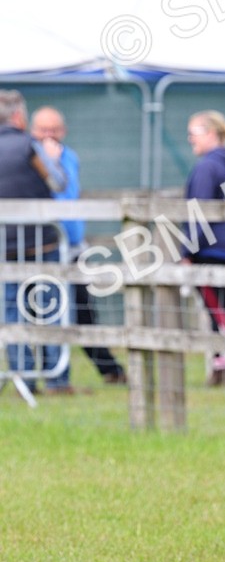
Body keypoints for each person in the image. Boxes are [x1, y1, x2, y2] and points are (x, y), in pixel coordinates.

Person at [30, 107, 127, 390]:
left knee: (84, 312)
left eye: (55, 130)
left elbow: (68, 194)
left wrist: (55, 162)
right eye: (43, 130)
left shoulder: (68, 157)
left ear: (64, 131)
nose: (49, 136)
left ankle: (110, 370)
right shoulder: (30, 158)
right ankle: (50, 378)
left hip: (73, 249)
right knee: (42, 314)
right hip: (43, 248)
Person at [0, 90, 66, 389]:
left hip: (5, 247)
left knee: (12, 311)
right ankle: (56, 378)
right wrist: (54, 159)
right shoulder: (30, 146)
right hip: (42, 243)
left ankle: (23, 378)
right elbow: (57, 181)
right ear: (18, 116)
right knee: (51, 307)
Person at [183, 111, 225, 386]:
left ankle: (222, 360)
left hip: (212, 248)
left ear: (211, 134)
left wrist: (186, 251)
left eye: (193, 133)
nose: (190, 140)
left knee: (215, 309)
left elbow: (199, 212)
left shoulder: (207, 166)